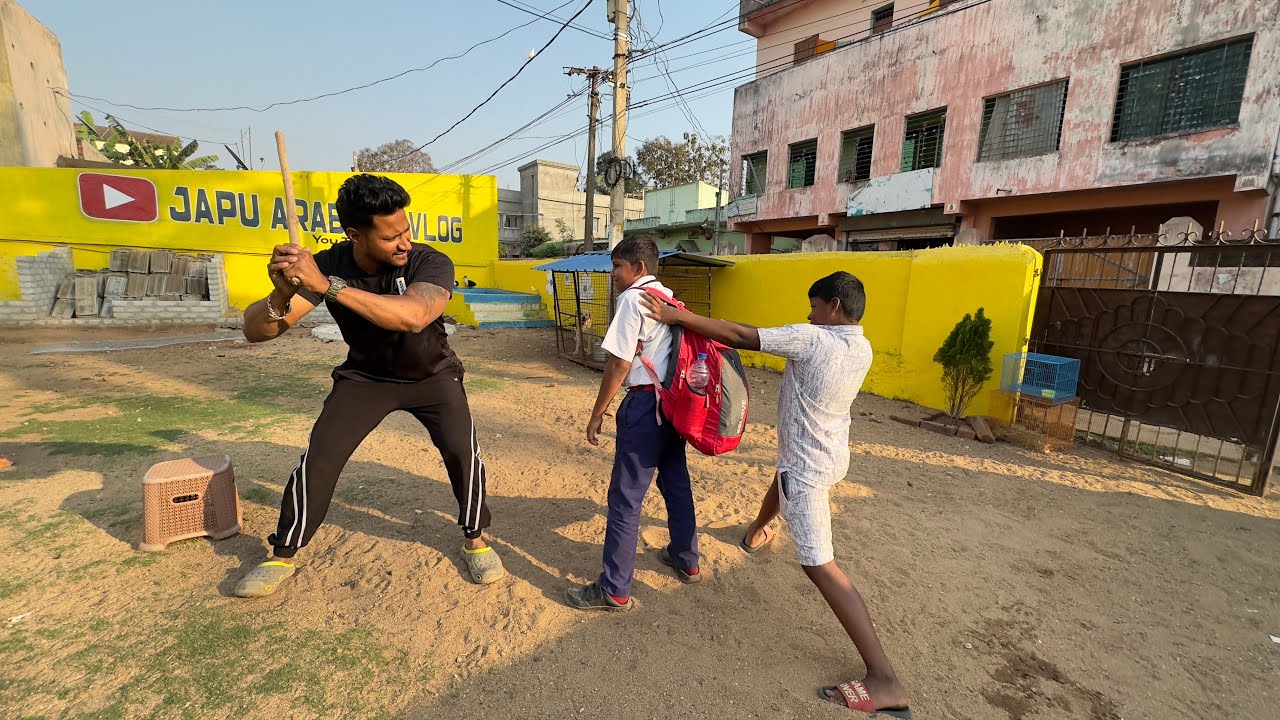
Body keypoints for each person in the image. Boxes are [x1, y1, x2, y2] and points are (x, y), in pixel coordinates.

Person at [639, 272, 911, 717]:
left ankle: (884, 679)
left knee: (820, 565)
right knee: (781, 477)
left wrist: (677, 316)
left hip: (807, 471)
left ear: (835, 307)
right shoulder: (861, 345)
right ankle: (758, 530)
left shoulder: (814, 340)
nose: (809, 313)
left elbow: (742, 335)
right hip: (827, 453)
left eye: (815, 305)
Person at [232, 174, 504, 598]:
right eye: (391, 236)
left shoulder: (428, 262)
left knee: (462, 453)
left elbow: (413, 315)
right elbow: (257, 332)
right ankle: (281, 554)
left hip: (432, 375)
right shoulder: (328, 264)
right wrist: (280, 294)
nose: (404, 242)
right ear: (355, 235)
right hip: (366, 378)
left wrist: (326, 286)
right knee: (319, 458)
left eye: (406, 230)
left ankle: (475, 539)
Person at [565, 235, 700, 611]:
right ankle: (686, 560)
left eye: (617, 267)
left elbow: (619, 363)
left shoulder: (633, 300)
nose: (613, 275)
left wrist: (598, 412)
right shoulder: (669, 297)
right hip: (673, 405)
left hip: (644, 406)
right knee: (676, 483)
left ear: (638, 268)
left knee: (625, 498)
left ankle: (615, 588)